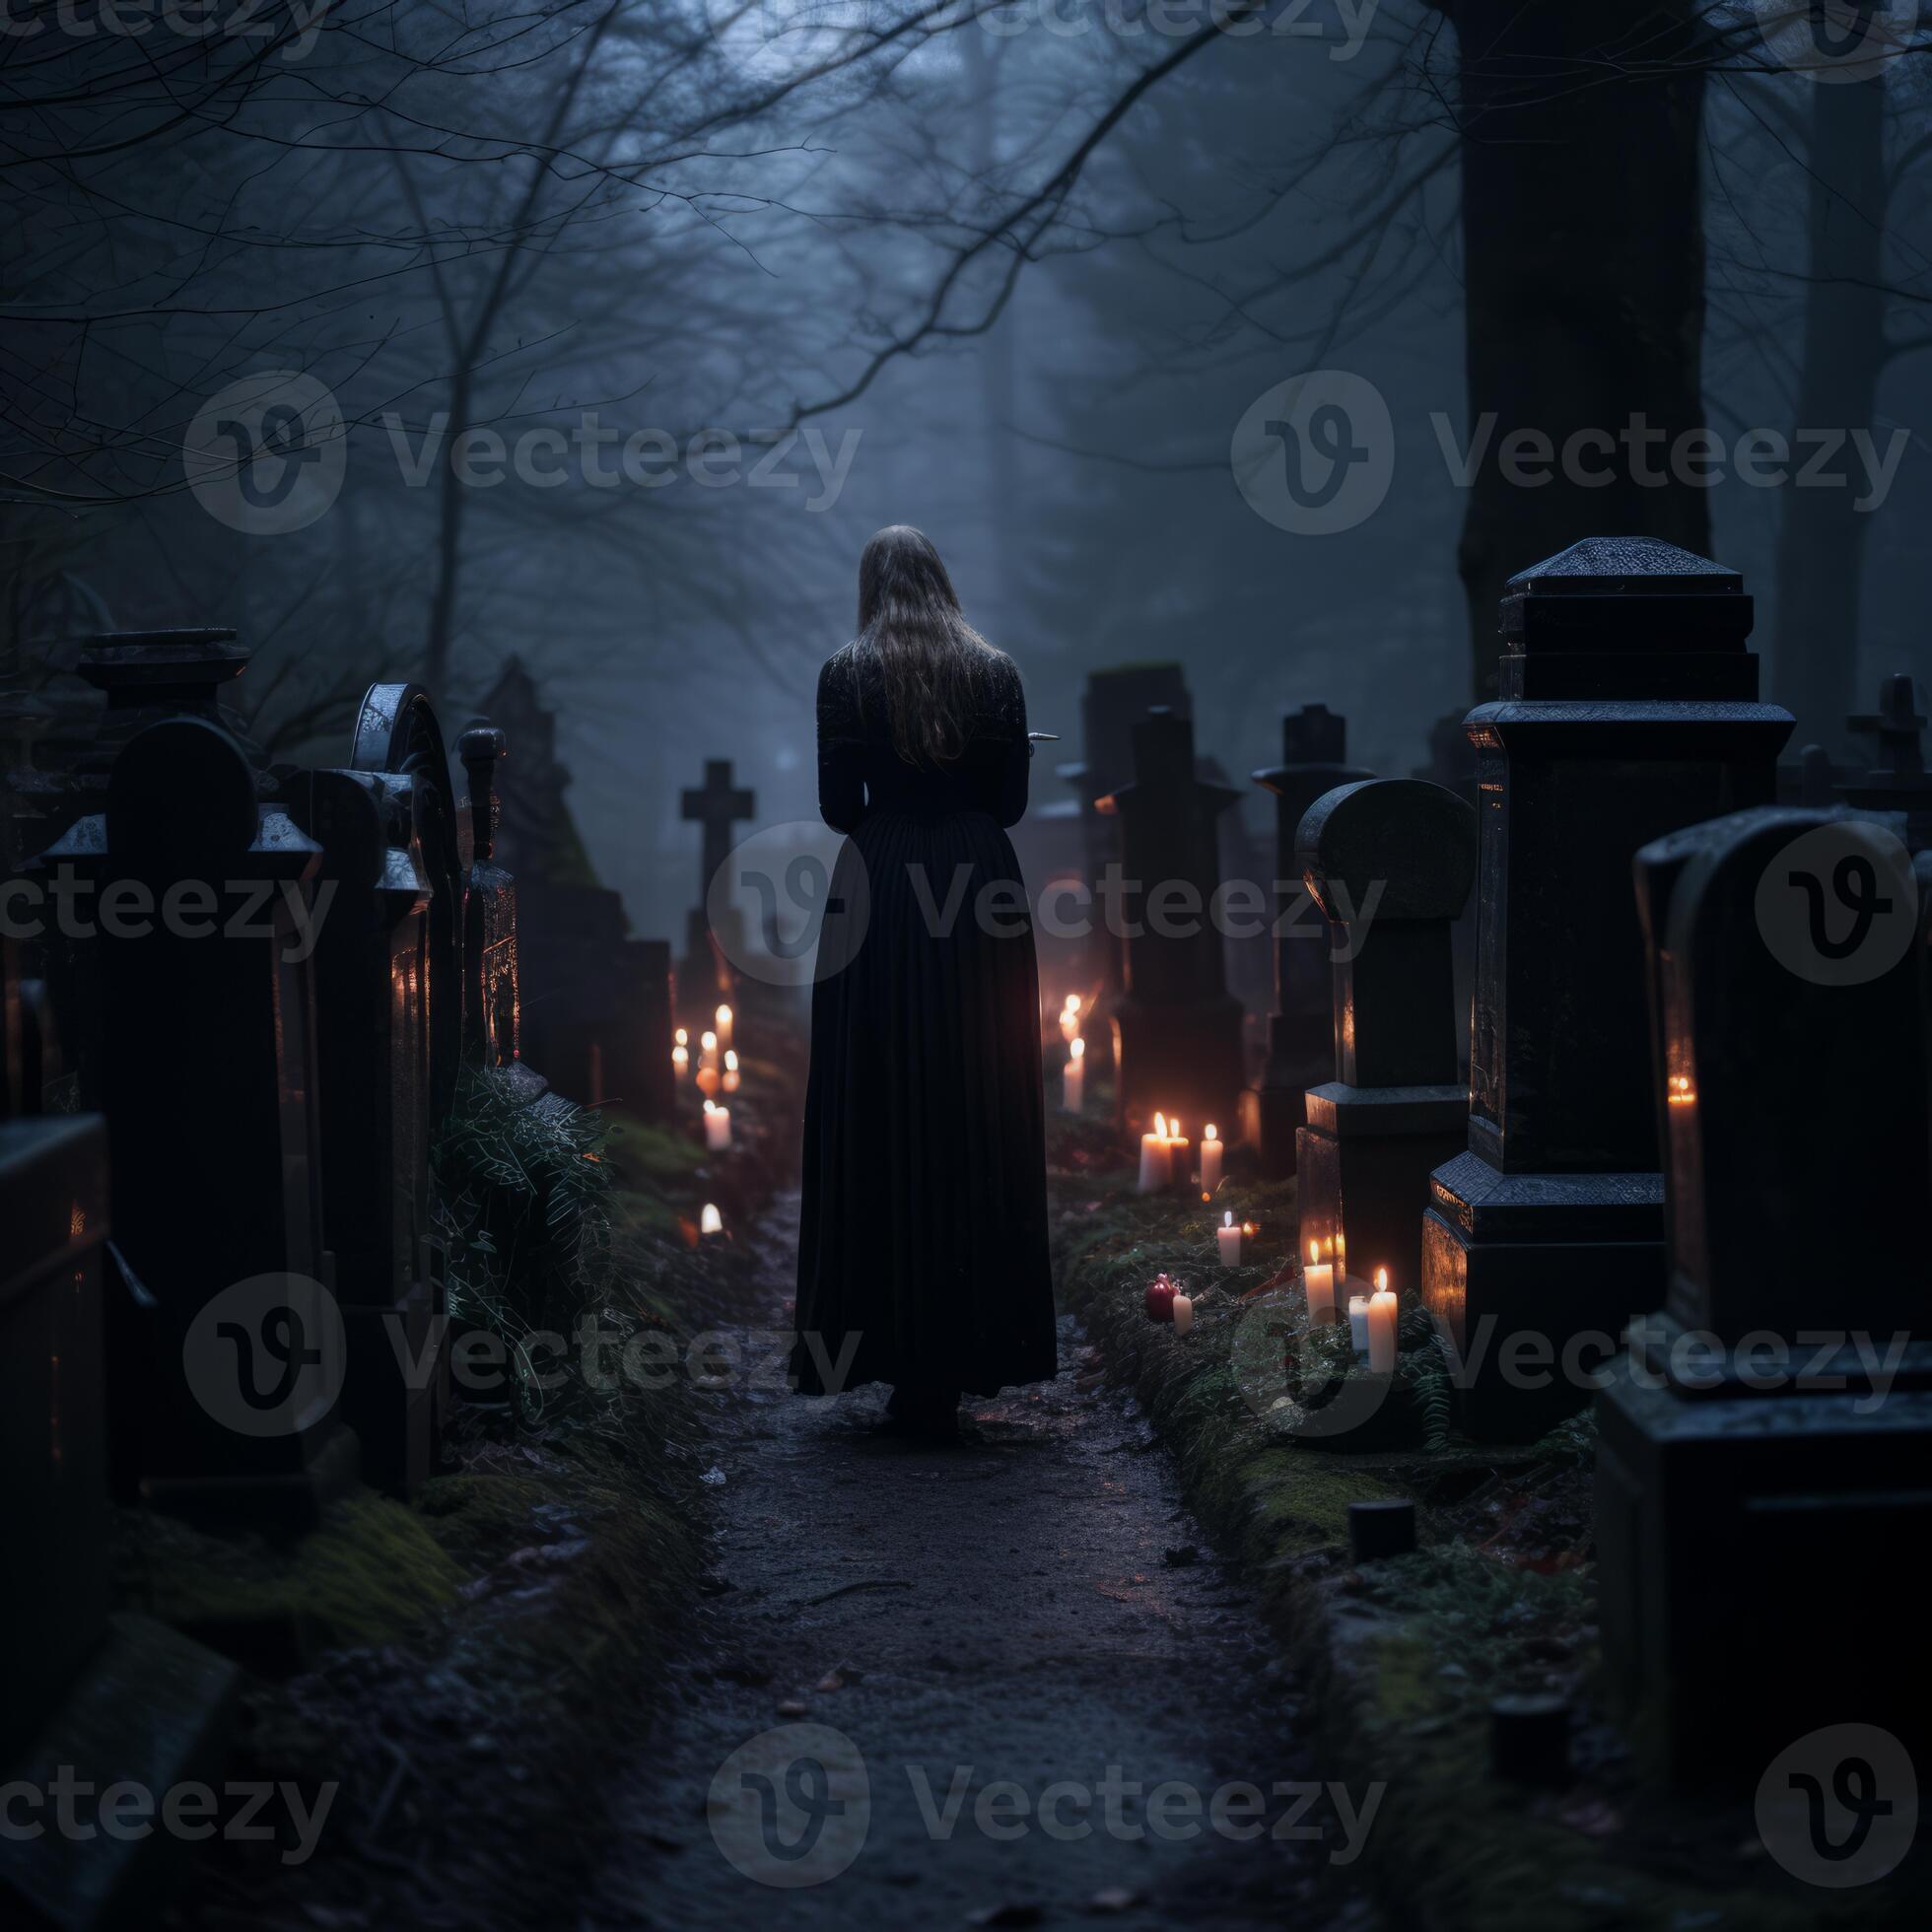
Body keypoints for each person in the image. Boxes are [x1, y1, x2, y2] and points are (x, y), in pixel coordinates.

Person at [792, 525, 1057, 1436]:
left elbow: (838, 810)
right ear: (945, 581)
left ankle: (890, 1349)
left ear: (870, 587)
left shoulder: (842, 674)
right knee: (980, 1094)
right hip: (980, 891)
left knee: (878, 1095)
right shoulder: (998, 671)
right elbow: (1011, 807)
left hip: (881, 893)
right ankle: (973, 1342)